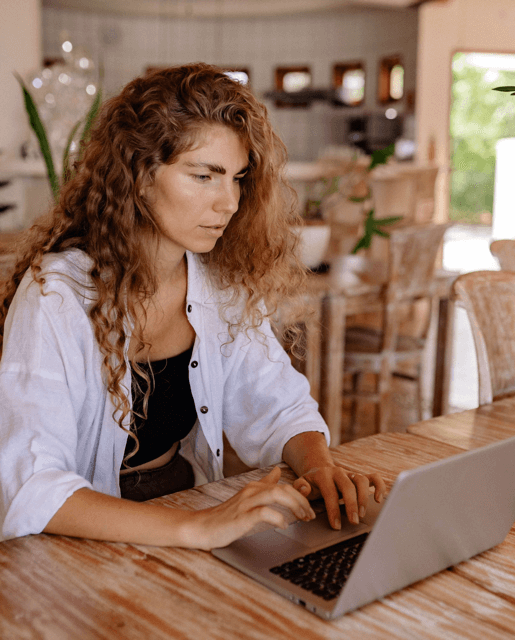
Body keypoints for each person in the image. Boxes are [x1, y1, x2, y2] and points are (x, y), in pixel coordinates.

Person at [0, 63, 385, 549]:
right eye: (205, 176)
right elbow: (31, 485)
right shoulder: (58, 296)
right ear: (138, 176)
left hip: (180, 502)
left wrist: (321, 467)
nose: (229, 202)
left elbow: (278, 404)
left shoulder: (219, 283)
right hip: (83, 536)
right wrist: (199, 527)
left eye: (238, 179)